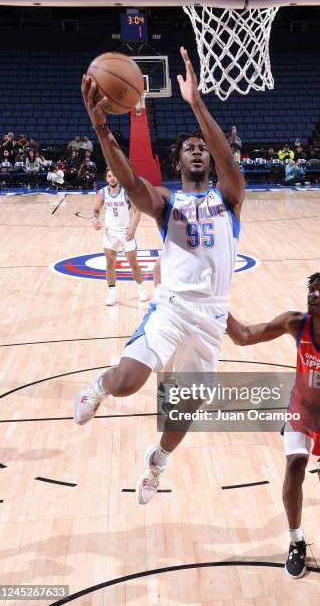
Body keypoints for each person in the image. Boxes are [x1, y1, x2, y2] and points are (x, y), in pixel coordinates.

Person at [73, 47, 245, 506]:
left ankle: (157, 461)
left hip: (211, 318)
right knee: (129, 380)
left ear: (208, 160)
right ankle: (101, 386)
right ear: (178, 160)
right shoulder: (169, 205)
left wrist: (196, 103)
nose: (196, 152)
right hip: (172, 306)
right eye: (188, 148)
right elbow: (130, 184)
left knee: (184, 411)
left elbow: (229, 163)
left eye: (201, 149)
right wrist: (101, 126)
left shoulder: (228, 199)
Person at [226, 271, 320, 579]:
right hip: (301, 409)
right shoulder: (296, 323)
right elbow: (244, 336)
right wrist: (214, 307)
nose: (314, 295)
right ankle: (296, 540)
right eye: (311, 289)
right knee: (294, 468)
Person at [92, 167, 148, 305]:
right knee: (110, 263)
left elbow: (138, 210)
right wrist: (95, 220)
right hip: (110, 232)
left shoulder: (127, 192)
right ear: (106, 178)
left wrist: (133, 229)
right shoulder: (102, 193)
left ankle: (141, 289)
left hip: (125, 231)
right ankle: (112, 294)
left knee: (133, 263)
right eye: (109, 176)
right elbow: (95, 210)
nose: (112, 178)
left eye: (114, 175)